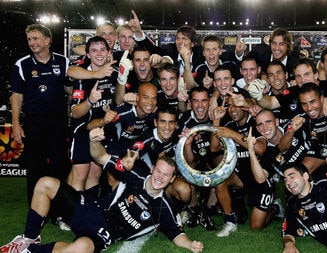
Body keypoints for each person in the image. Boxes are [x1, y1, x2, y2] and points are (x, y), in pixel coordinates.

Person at [0, 128, 204, 253]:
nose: (160, 177)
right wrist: (94, 141)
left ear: (171, 179)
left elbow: (176, 234)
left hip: (105, 232)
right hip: (90, 210)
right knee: (45, 183)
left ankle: (29, 250)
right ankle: (29, 237)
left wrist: (190, 244)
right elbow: (101, 157)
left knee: (81, 249)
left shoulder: (164, 207)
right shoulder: (134, 176)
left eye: (165, 175)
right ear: (152, 169)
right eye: (158, 171)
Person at [10, 24, 72, 204]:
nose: (32, 42)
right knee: (35, 166)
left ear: (47, 40)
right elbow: (16, 95)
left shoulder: (63, 61)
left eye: (36, 38)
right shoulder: (22, 64)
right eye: (29, 39)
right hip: (34, 123)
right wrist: (15, 124)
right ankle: (36, 206)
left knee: (59, 166)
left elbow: (70, 89)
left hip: (58, 123)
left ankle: (59, 208)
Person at [210, 95, 270, 237]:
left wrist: (234, 135)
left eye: (236, 105)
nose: (232, 109)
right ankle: (230, 222)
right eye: (229, 106)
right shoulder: (230, 125)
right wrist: (216, 121)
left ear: (244, 106)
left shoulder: (255, 122)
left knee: (256, 226)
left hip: (262, 177)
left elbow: (261, 148)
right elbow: (213, 148)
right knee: (220, 179)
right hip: (241, 176)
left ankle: (273, 208)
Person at [67, 36, 119, 194]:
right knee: (80, 174)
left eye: (102, 50)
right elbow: (75, 113)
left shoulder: (114, 73)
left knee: (95, 174)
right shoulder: (81, 76)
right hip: (82, 130)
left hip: (103, 129)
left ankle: (87, 214)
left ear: (109, 52)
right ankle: (70, 216)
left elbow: (117, 99)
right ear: (87, 55)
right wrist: (90, 100)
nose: (99, 54)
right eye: (94, 50)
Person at [178, 86, 220, 231]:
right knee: (188, 171)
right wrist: (188, 144)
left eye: (204, 101)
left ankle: (207, 213)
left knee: (220, 169)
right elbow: (188, 161)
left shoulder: (217, 116)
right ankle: (194, 209)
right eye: (196, 101)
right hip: (194, 160)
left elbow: (220, 149)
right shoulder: (184, 120)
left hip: (212, 159)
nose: (200, 105)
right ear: (190, 103)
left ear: (210, 102)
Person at [235, 28, 302, 80]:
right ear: (270, 44)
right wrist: (239, 53)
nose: (277, 48)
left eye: (281, 44)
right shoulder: (259, 51)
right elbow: (242, 66)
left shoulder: (297, 60)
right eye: (274, 43)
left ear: (287, 46)